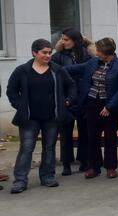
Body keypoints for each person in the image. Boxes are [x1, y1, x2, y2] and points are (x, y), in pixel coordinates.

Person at [7, 39, 77, 193]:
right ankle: (20, 180)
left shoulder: (57, 70)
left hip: (52, 118)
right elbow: (11, 91)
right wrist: (20, 106)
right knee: (26, 148)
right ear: (34, 53)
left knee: (49, 148)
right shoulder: (22, 71)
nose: (47, 55)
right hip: (29, 118)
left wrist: (67, 101)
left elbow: (71, 85)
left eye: (49, 53)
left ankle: (47, 176)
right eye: (44, 52)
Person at [66, 37, 118, 179]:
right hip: (92, 104)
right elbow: (73, 69)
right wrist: (53, 68)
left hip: (110, 106)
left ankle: (111, 167)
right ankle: (93, 167)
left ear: (107, 53)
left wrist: (109, 107)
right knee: (92, 137)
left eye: (99, 51)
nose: (96, 53)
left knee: (110, 137)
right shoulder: (92, 62)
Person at [52, 28, 92, 175]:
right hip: (66, 98)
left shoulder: (87, 55)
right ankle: (66, 163)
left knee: (85, 131)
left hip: (84, 97)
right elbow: (57, 72)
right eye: (62, 39)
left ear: (75, 40)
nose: (63, 42)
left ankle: (84, 161)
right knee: (65, 132)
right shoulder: (58, 56)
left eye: (66, 39)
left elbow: (90, 69)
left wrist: (68, 69)